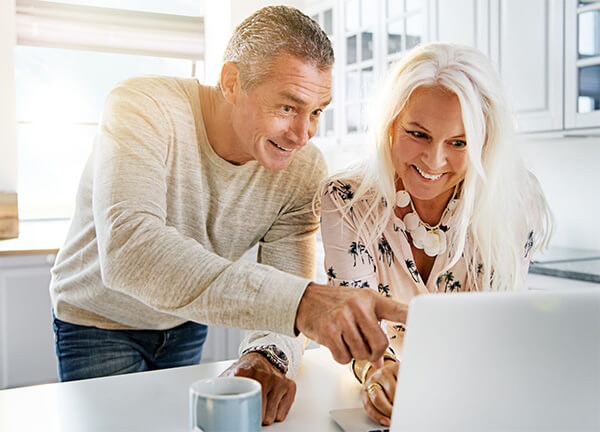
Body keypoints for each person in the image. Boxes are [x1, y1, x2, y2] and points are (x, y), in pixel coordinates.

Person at [49, 5, 408, 426]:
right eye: (288, 107)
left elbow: (287, 284)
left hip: (186, 320)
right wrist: (304, 302)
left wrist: (266, 355)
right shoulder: (142, 108)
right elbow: (130, 250)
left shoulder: (304, 168)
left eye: (316, 112)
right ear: (232, 82)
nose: (303, 134)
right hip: (98, 321)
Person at [319, 42, 553, 426]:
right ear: (391, 123)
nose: (434, 160)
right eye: (418, 134)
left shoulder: (514, 201)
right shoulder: (346, 199)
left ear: (485, 143)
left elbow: (498, 328)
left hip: (475, 396)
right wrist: (378, 374)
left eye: (459, 143)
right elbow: (354, 322)